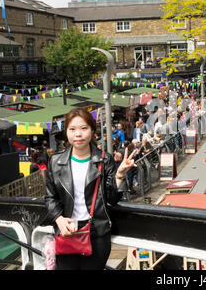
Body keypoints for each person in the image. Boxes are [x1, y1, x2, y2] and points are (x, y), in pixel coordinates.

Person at [45, 107, 137, 270]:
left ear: (93, 131)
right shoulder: (56, 161)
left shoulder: (104, 160)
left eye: (83, 128)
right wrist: (58, 219)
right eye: (72, 129)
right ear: (66, 132)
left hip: (97, 233)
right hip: (66, 232)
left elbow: (111, 199)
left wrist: (119, 175)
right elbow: (50, 197)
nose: (78, 134)